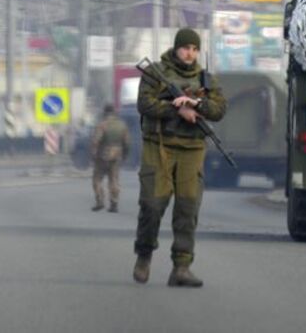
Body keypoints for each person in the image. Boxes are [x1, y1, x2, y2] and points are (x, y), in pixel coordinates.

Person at [132, 28, 226, 288]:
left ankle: (181, 267)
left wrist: (196, 105)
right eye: (186, 48)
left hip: (192, 149)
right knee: (152, 204)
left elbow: (219, 109)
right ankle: (144, 254)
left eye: (195, 49)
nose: (190, 53)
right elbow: (145, 104)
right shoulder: (156, 72)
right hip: (159, 146)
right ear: (176, 48)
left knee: (188, 208)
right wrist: (177, 110)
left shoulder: (206, 78)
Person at [90, 103, 129, 212]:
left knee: (97, 179)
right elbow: (127, 143)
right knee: (114, 180)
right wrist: (125, 155)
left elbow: (96, 142)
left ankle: (100, 201)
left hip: (102, 156)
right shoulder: (122, 125)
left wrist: (93, 155)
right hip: (117, 155)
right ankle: (114, 203)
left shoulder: (102, 125)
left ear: (104, 113)